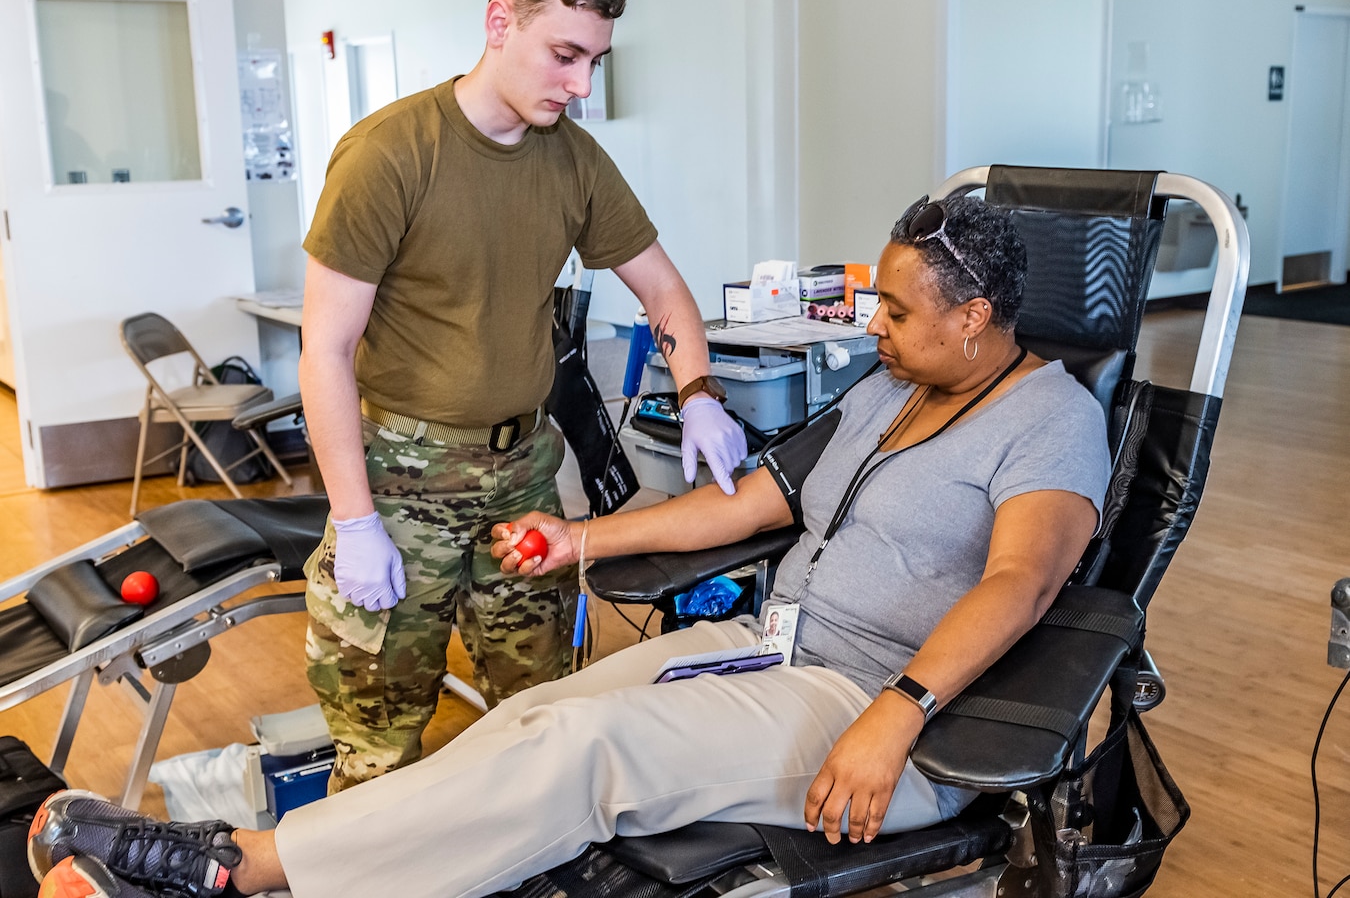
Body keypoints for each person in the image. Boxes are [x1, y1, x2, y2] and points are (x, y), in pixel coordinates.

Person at [30, 194, 1110, 898]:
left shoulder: (1050, 420)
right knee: (545, 709)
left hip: (878, 708)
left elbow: (1022, 582)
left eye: (899, 312)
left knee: (582, 754)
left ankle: (234, 871)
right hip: (776, 649)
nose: (872, 325)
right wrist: (579, 535)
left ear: (975, 318)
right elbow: (744, 506)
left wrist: (895, 716)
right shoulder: (892, 388)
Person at [296, 0, 747, 791]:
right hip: (400, 486)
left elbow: (665, 291)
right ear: (501, 22)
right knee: (380, 750)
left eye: (595, 62)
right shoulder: (389, 154)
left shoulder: (573, 159)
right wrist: (354, 521)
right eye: (564, 55)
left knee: (545, 723)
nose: (580, 87)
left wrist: (697, 394)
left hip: (523, 485)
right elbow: (327, 349)